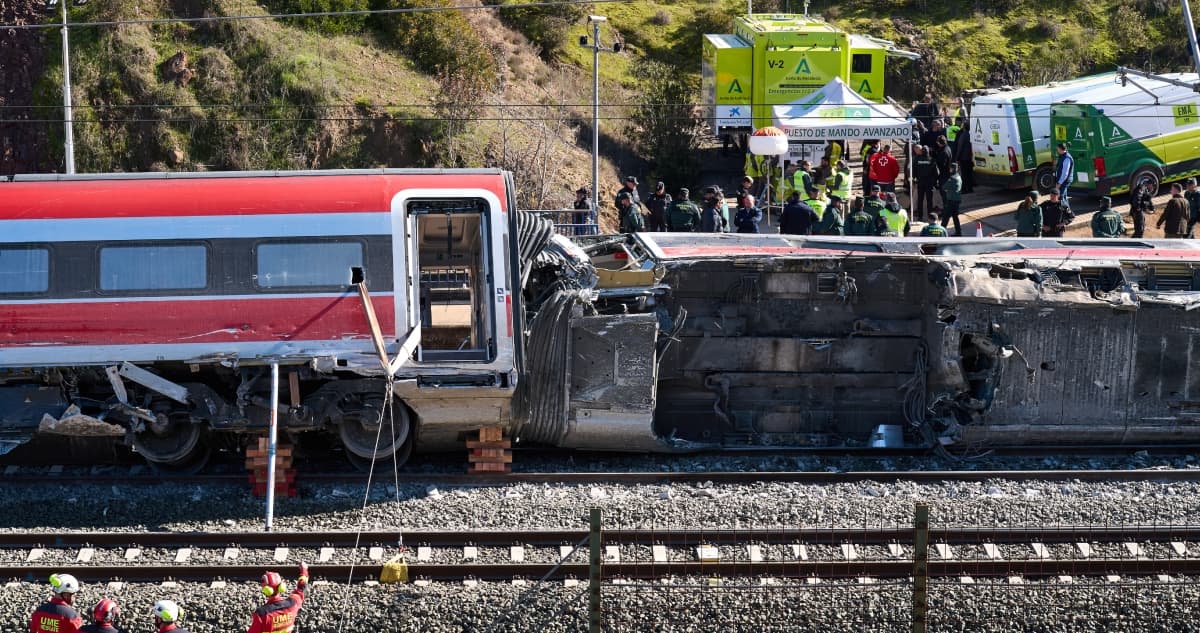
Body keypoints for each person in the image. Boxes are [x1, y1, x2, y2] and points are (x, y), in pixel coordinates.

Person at [247, 564, 309, 633]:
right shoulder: (293, 604)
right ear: (281, 587)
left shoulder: (261, 614)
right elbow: (302, 588)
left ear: (266, 589)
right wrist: (304, 570)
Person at [912, 144, 937, 220]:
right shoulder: (931, 160)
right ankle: (930, 216)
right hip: (929, 183)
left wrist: (914, 179)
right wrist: (933, 181)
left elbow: (913, 171)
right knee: (929, 200)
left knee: (920, 200)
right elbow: (936, 173)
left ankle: (920, 216)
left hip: (920, 182)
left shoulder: (917, 159)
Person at [942, 163, 964, 236]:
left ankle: (941, 231)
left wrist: (947, 189)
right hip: (957, 200)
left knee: (946, 217)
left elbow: (944, 187)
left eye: (951, 168)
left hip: (951, 200)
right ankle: (958, 232)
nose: (950, 170)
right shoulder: (958, 177)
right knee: (955, 217)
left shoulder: (952, 179)